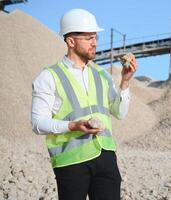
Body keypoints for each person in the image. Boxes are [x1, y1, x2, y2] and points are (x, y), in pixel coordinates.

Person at [31, 8, 137, 200]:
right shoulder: (49, 77)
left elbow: (119, 113)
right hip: (71, 161)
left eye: (95, 37)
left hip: (106, 158)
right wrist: (73, 126)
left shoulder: (101, 74)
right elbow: (38, 123)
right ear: (71, 41)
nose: (95, 43)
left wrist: (125, 82)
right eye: (89, 38)